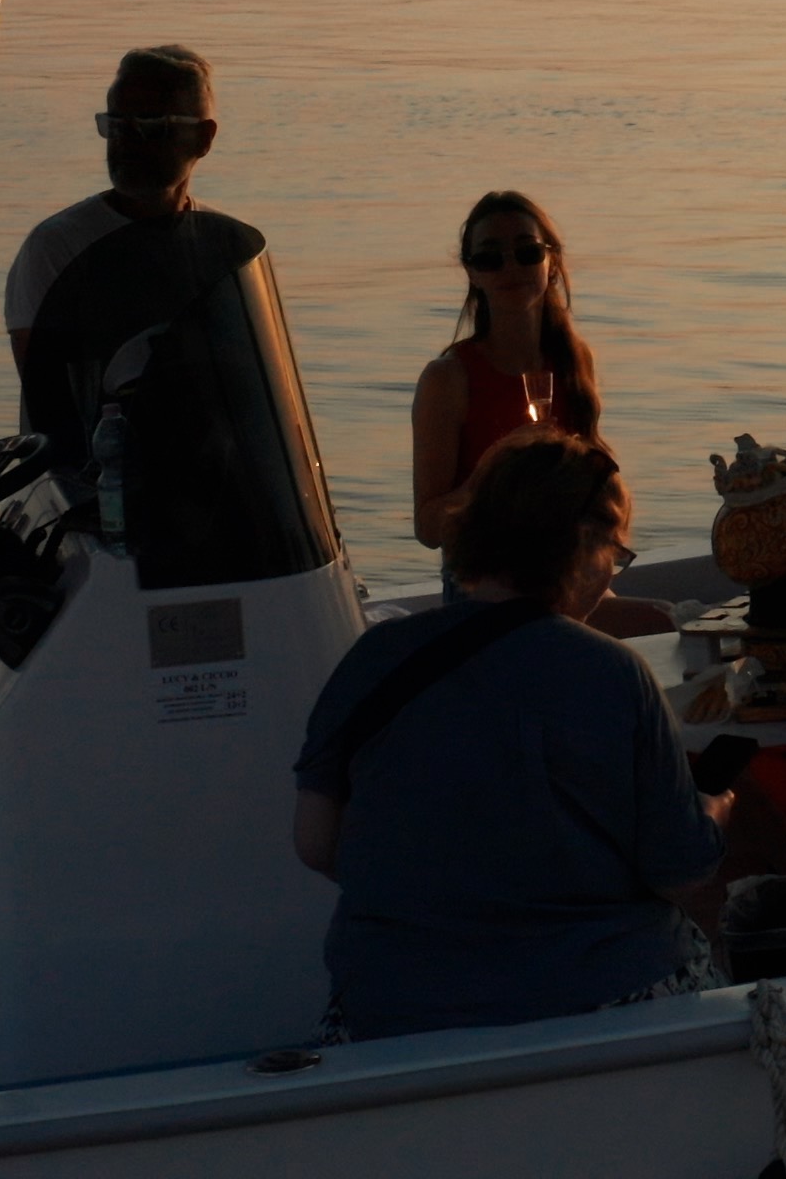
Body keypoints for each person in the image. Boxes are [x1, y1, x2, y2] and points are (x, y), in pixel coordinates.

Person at [291, 430, 724, 1040]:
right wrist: (712, 813)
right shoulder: (613, 670)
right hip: (595, 995)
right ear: (583, 540)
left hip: (391, 1009)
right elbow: (679, 874)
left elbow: (315, 842)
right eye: (617, 554)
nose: (610, 578)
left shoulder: (373, 657)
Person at [4, 44, 224, 371]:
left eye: (151, 124)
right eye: (117, 123)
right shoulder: (58, 246)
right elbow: (48, 392)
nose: (127, 141)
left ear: (203, 138)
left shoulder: (226, 246)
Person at [410, 192, 601, 550]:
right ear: (472, 272)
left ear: (552, 263)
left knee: (666, 609)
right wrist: (494, 469)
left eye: (527, 252)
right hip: (483, 582)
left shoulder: (574, 359)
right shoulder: (448, 379)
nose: (511, 267)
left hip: (563, 568)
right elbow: (428, 529)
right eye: (490, 257)